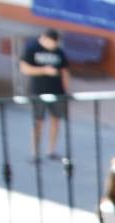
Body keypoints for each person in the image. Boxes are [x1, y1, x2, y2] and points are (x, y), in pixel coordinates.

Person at [18, 28, 69, 162]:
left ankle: (51, 150)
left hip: (57, 92)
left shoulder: (59, 52)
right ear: (45, 39)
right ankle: (35, 153)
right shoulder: (32, 49)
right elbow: (24, 68)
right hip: (38, 91)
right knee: (38, 122)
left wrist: (66, 90)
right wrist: (44, 70)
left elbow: (64, 71)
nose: (54, 46)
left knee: (55, 120)